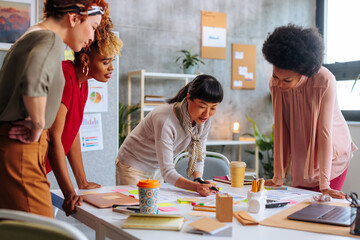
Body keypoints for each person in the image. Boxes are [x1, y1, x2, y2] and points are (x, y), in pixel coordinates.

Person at [0, 0, 108, 217]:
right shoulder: (49, 39)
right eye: (94, 27)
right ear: (74, 17)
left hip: (13, 148)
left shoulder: (31, 35)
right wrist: (38, 122)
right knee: (41, 230)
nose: (93, 37)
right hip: (23, 149)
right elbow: (33, 78)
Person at [262, 24, 357, 199]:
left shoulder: (324, 80)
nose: (279, 83)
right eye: (276, 76)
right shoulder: (275, 84)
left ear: (303, 72)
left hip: (332, 156)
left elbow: (325, 133)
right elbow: (281, 130)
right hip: (302, 157)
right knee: (298, 211)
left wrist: (325, 185)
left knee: (321, 210)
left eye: (287, 80)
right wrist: (278, 177)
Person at [46, 18, 122, 198]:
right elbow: (54, 137)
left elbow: (71, 133)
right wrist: (69, 191)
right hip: (24, 163)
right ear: (85, 59)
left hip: (38, 167)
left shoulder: (83, 83)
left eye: (112, 61)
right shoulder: (65, 75)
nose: (111, 67)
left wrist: (82, 182)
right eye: (105, 62)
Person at [116, 74, 223, 196]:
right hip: (133, 165)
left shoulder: (204, 120)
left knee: (155, 208)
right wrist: (195, 187)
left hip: (157, 167)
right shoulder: (165, 119)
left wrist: (199, 180)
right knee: (135, 207)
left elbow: (198, 153)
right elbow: (168, 171)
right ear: (188, 98)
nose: (207, 113)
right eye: (202, 106)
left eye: (213, 108)